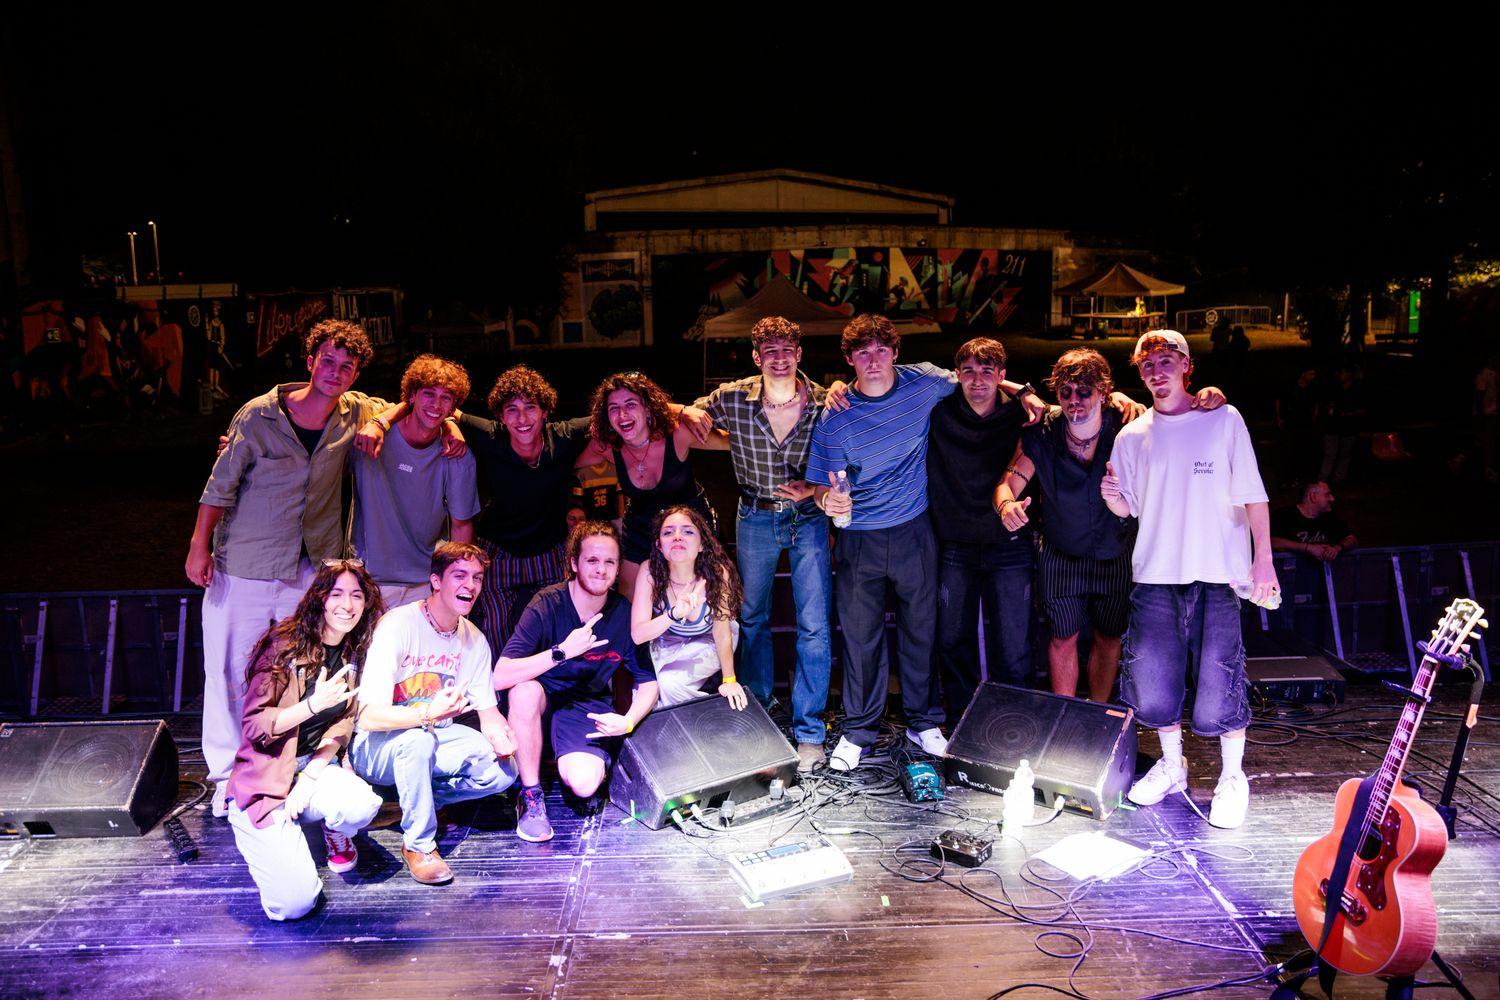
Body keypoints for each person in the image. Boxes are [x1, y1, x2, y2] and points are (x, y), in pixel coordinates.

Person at [808, 314, 1043, 772]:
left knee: (922, 630)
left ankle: (924, 720)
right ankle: (859, 729)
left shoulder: (925, 382)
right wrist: (826, 500)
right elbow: (820, 484)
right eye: (862, 353)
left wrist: (1025, 391)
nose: (873, 360)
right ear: (849, 359)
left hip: (914, 528)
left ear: (895, 353)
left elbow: (980, 378)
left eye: (881, 350)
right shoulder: (835, 415)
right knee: (861, 637)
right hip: (858, 535)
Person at [188, 319, 385, 817]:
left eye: (347, 366)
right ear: (310, 360)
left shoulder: (355, 410)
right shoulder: (259, 414)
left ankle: (287, 767)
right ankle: (226, 777)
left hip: (308, 570)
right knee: (230, 671)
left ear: (356, 373)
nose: (336, 372)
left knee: (301, 672)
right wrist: (198, 546)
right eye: (328, 360)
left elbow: (413, 407)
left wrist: (381, 424)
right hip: (246, 564)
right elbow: (219, 486)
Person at [1102, 330, 1277, 829]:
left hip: (1218, 573)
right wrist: (1112, 497)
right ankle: (1172, 765)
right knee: (1154, 685)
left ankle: (1232, 776)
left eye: (1166, 360)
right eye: (1147, 364)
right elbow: (1130, 508)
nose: (1156, 371)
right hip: (1156, 573)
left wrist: (1262, 560)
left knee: (1220, 681)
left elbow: (1253, 494)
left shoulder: (1223, 418)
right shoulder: (1131, 436)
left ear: (1186, 365)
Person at [996, 349, 1225, 702]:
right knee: (1062, 636)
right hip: (1061, 549)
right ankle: (1067, 714)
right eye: (1066, 392)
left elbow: (1178, 418)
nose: (1074, 400)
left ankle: (1097, 713)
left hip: (1115, 547)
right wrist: (1006, 506)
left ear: (1103, 392)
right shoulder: (1043, 431)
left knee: (1109, 635)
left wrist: (1209, 396)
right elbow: (1008, 483)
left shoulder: (1126, 424)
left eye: (1084, 391)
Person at [693, 316, 832, 772]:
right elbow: (689, 416)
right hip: (755, 513)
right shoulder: (733, 397)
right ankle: (759, 717)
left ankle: (809, 729)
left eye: (787, 349)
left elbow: (847, 455)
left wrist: (814, 488)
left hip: (809, 517)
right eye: (770, 351)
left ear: (799, 353)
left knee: (814, 624)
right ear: (757, 357)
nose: (779, 358)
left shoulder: (824, 401)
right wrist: (699, 422)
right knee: (752, 617)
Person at [225, 559, 386, 921]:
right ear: (319, 598)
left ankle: (329, 827)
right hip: (266, 779)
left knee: (360, 805)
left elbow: (343, 723)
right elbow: (254, 726)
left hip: (312, 769)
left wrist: (310, 778)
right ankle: (260, 829)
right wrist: (312, 705)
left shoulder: (354, 651)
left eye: (357, 595)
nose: (347, 605)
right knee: (295, 904)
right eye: (337, 594)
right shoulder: (283, 647)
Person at [349, 542, 519, 884]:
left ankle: (414, 802)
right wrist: (428, 714)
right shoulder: (398, 626)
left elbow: (488, 715)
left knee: (503, 771)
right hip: (377, 746)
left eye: (477, 577)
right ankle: (419, 845)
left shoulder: (474, 640)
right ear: (436, 581)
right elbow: (367, 717)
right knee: (417, 742)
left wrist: (503, 738)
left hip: (433, 738)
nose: (470, 585)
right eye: (460, 576)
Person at [495, 522, 660, 843]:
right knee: (524, 691)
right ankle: (530, 796)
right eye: (592, 560)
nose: (601, 569)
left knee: (585, 785)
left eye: (609, 562)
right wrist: (561, 652)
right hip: (540, 700)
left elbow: (648, 682)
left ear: (618, 568)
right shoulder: (547, 604)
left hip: (584, 705)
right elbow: (500, 675)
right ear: (574, 563)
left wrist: (628, 720)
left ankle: (580, 760)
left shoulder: (622, 613)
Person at [926, 337, 1036, 722]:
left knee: (1014, 643)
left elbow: (1075, 411)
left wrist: (1120, 398)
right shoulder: (938, 412)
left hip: (1009, 542)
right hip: (955, 542)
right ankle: (963, 720)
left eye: (987, 372)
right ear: (957, 375)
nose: (977, 380)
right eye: (969, 371)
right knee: (952, 639)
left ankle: (1012, 723)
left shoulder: (1022, 415)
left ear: (1001, 375)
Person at [351, 355, 480, 609]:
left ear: (453, 408)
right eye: (429, 394)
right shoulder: (371, 435)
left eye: (446, 397)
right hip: (368, 579)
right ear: (411, 396)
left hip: (426, 582)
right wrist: (379, 422)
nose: (436, 404)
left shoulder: (456, 454)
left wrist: (455, 586)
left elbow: (461, 526)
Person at [589, 371, 716, 599]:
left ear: (648, 409)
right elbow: (559, 461)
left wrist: (681, 410)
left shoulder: (678, 433)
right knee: (628, 598)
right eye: (613, 408)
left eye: (630, 404)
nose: (622, 414)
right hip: (640, 529)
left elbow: (736, 443)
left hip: (689, 527)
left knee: (700, 597)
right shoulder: (607, 448)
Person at [632, 506, 748, 709]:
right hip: (668, 642)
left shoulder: (718, 573)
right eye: (668, 532)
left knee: (670, 684)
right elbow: (638, 635)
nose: (677, 536)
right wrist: (673, 614)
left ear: (702, 544)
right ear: (659, 545)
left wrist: (729, 680)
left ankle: (711, 720)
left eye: (687, 531)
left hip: (710, 640)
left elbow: (722, 633)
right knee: (647, 696)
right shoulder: (649, 572)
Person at [1271, 481, 1358, 561]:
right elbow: (1272, 542)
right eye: (1327, 495)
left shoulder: (1331, 517)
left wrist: (1337, 548)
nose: (1332, 498)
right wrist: (1307, 548)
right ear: (1313, 497)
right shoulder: (1283, 515)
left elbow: (1352, 540)